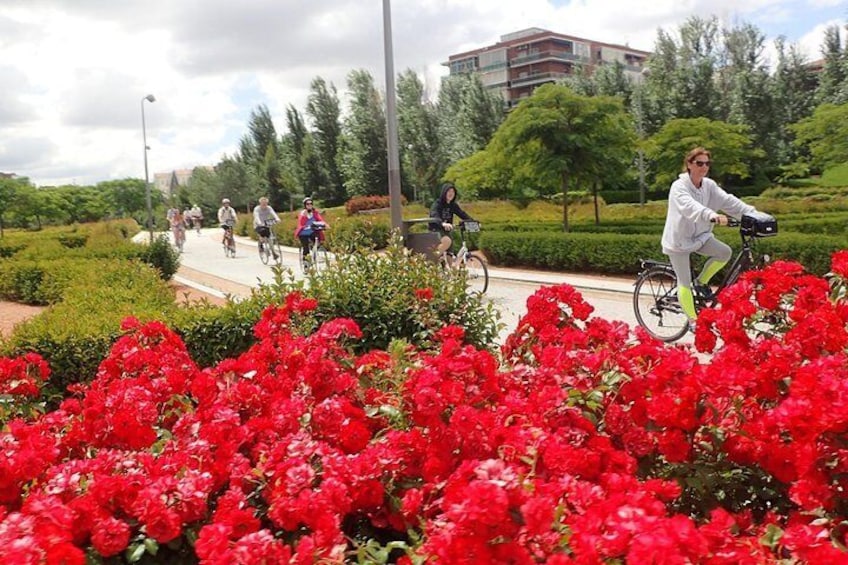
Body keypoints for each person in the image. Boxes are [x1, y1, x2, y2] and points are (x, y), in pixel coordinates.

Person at [661, 147, 758, 333]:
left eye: (707, 163)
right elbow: (690, 207)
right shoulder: (679, 187)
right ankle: (693, 322)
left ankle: (701, 282)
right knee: (684, 282)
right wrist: (712, 215)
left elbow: (729, 201)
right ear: (689, 164)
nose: (703, 167)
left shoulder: (709, 186)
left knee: (724, 252)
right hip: (679, 241)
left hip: (700, 236)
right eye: (699, 163)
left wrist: (755, 214)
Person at [429, 182, 474, 255]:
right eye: (449, 191)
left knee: (450, 253)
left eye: (453, 192)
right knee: (447, 241)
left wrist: (473, 221)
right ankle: (433, 259)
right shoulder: (438, 204)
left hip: (447, 231)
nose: (451, 194)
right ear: (444, 192)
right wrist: (442, 223)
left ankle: (450, 266)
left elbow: (462, 214)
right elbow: (434, 214)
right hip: (436, 230)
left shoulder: (453, 205)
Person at [294, 197, 328, 264]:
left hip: (312, 231)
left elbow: (320, 219)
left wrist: (325, 225)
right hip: (303, 233)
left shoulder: (315, 212)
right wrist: (305, 225)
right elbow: (301, 223)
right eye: (307, 204)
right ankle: (306, 263)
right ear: (305, 205)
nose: (309, 205)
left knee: (318, 240)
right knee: (306, 248)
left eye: (311, 203)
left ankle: (315, 253)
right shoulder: (303, 213)